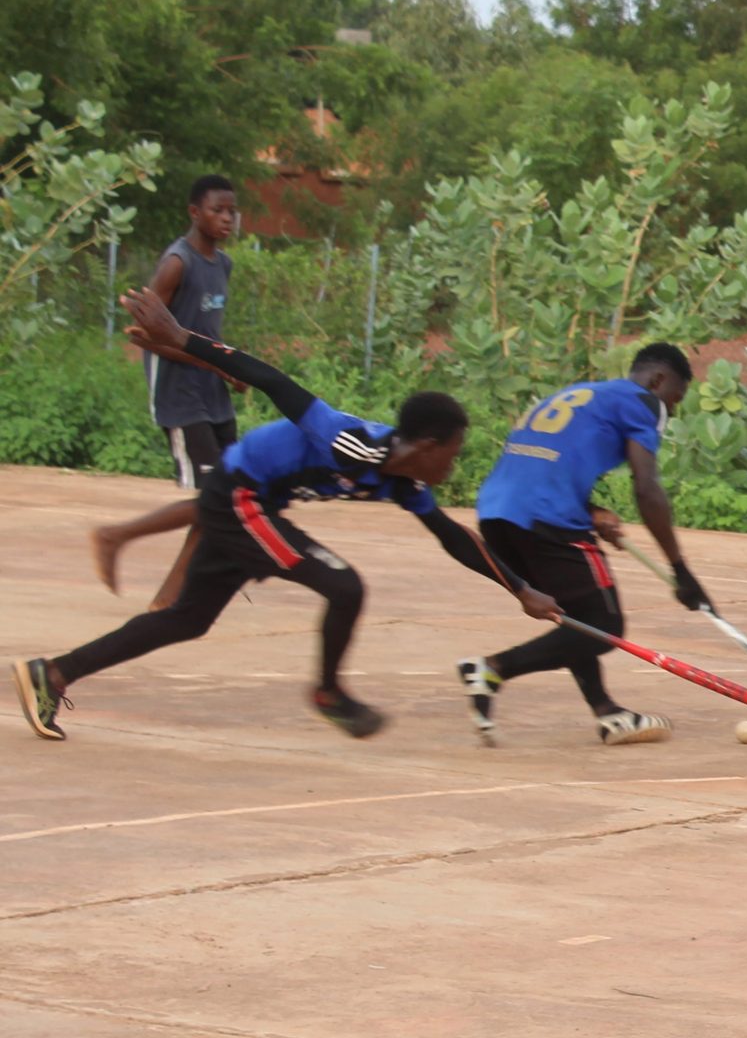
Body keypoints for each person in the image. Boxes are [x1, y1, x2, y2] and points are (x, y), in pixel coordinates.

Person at [11, 290, 559, 743]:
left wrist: (519, 590)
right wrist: (183, 340)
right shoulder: (353, 444)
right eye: (454, 453)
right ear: (427, 445)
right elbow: (274, 381)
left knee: (186, 619)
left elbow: (451, 536)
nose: (454, 464)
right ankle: (328, 692)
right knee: (344, 586)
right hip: (241, 495)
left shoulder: (404, 478)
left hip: (257, 505)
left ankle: (54, 673)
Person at [456, 345, 709, 745]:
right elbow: (647, 489)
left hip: (497, 511)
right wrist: (680, 569)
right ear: (658, 380)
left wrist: (591, 510)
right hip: (546, 514)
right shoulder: (644, 402)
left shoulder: (586, 393)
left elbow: (547, 458)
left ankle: (607, 713)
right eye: (674, 399)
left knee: (579, 616)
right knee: (604, 625)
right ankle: (492, 668)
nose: (671, 412)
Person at [98, 175, 242, 612]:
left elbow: (207, 332)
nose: (226, 218)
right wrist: (213, 363)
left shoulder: (223, 264)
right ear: (194, 213)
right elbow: (145, 335)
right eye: (217, 210)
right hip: (180, 394)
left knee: (232, 491)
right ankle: (121, 543)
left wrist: (229, 367)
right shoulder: (176, 263)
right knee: (215, 497)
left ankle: (171, 592)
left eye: (231, 211)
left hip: (213, 391)